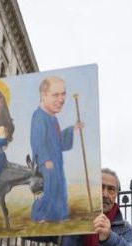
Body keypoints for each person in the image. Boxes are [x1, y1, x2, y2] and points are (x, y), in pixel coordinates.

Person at [30, 76, 85, 222]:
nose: (61, 99)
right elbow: (37, 140)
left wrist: (72, 129)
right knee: (47, 188)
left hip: (56, 161)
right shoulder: (39, 117)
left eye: (63, 94)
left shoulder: (52, 118)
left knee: (59, 187)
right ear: (43, 95)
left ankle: (58, 215)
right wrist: (45, 159)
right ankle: (40, 216)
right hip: (46, 163)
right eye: (56, 95)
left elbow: (58, 140)